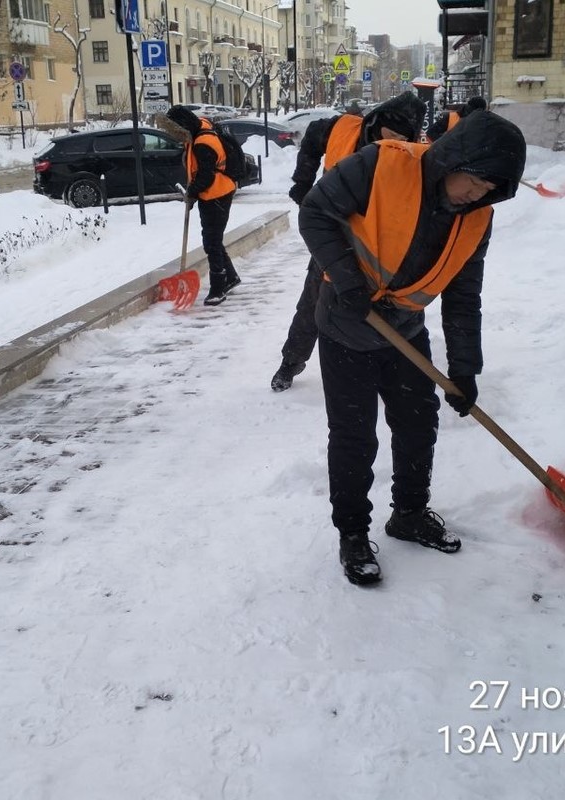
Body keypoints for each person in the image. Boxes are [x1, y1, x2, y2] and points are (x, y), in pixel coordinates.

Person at [297, 110, 526, 586]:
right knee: (355, 438)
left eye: (490, 191)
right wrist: (345, 278)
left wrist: (465, 371)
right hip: (345, 326)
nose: (476, 195)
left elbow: (464, 298)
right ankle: (354, 534)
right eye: (476, 182)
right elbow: (315, 211)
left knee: (419, 424)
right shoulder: (380, 164)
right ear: (456, 157)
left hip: (404, 331)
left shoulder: (475, 220)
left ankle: (409, 513)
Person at [270, 92, 428, 392]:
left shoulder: (411, 154)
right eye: (389, 133)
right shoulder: (344, 129)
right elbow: (314, 136)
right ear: (378, 121)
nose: (391, 140)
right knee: (314, 299)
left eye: (400, 137)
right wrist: (303, 183)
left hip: (377, 240)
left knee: (390, 304)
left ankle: (391, 369)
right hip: (331, 232)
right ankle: (290, 363)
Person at [165, 104, 241, 306]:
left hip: (217, 194)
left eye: (177, 130)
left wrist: (192, 192)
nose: (177, 136)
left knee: (211, 242)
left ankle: (218, 288)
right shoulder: (202, 128)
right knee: (214, 238)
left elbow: (206, 176)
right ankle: (230, 277)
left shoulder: (203, 143)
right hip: (216, 194)